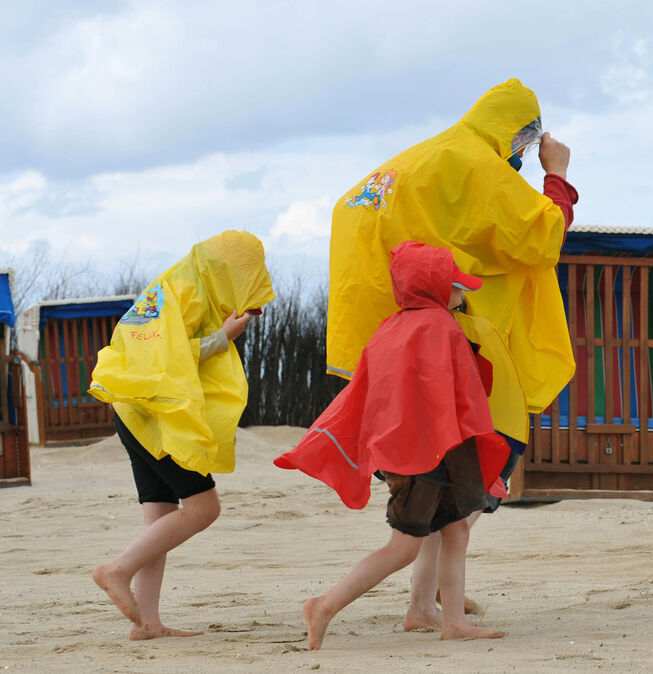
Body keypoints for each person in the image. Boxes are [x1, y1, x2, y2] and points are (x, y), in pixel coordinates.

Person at [325, 77, 578, 630]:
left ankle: (425, 602)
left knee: (442, 497)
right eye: (524, 142)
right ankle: (422, 600)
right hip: (457, 356)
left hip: (392, 347)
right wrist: (556, 173)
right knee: (468, 486)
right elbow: (545, 237)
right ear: (518, 134)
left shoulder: (415, 160)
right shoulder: (475, 163)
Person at [275, 241, 511, 650]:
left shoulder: (392, 328)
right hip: (427, 455)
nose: (462, 292)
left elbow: (373, 393)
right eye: (455, 285)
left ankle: (454, 622)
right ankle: (324, 605)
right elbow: (460, 396)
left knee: (456, 530)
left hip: (416, 452)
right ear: (436, 288)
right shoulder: (440, 327)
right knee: (404, 547)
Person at [88, 230, 275, 640]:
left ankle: (146, 624)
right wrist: (224, 337)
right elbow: (166, 359)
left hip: (135, 410)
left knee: (160, 518)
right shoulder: (187, 291)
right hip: (156, 415)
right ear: (226, 269)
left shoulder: (173, 285)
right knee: (204, 508)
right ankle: (116, 569)